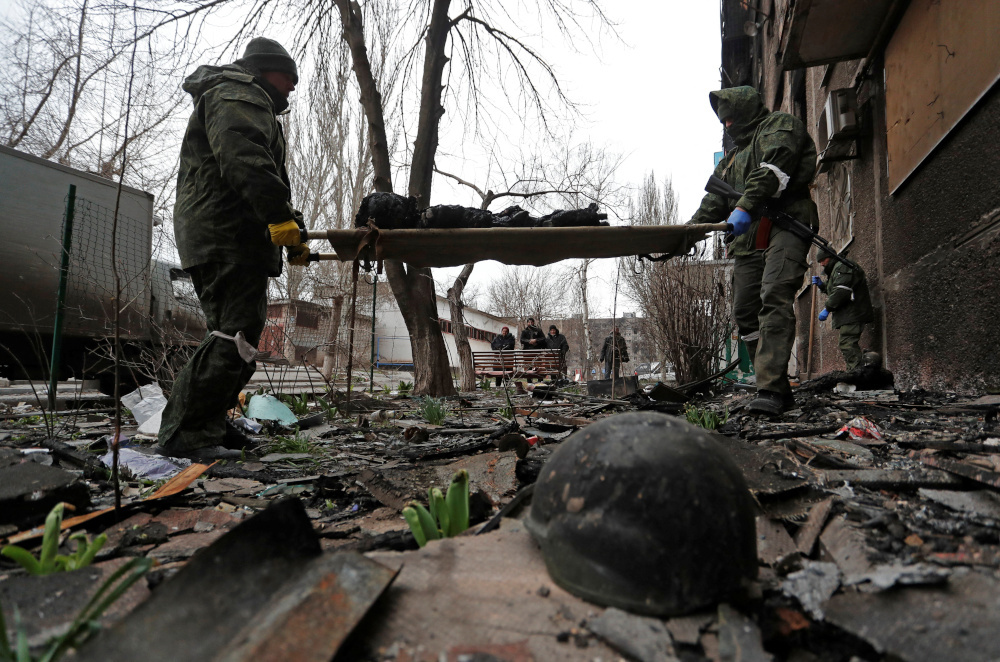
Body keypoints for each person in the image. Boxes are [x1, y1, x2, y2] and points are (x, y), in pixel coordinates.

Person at [156, 37, 308, 461]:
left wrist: (294, 229)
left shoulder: (242, 96)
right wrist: (278, 216)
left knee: (238, 333)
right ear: (263, 69)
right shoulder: (237, 92)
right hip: (225, 234)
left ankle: (205, 422)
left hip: (230, 233)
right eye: (288, 76)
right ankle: (186, 435)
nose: (293, 86)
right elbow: (245, 159)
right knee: (232, 334)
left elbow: (258, 168)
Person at [689, 86, 819, 415]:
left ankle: (771, 388)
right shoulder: (732, 158)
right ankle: (771, 380)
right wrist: (686, 233)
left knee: (774, 294)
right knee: (745, 311)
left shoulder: (779, 126)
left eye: (732, 117)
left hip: (785, 222)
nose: (729, 126)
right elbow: (714, 202)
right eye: (724, 121)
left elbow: (773, 170)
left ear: (746, 108)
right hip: (748, 239)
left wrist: (745, 206)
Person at [812, 247, 874, 371]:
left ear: (830, 257)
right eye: (820, 261)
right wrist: (822, 286)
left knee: (847, 344)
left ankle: (858, 376)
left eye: (823, 260)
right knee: (847, 344)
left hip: (853, 313)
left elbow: (841, 291)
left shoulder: (843, 266)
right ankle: (856, 372)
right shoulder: (836, 269)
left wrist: (827, 308)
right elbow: (835, 288)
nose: (821, 264)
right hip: (849, 314)